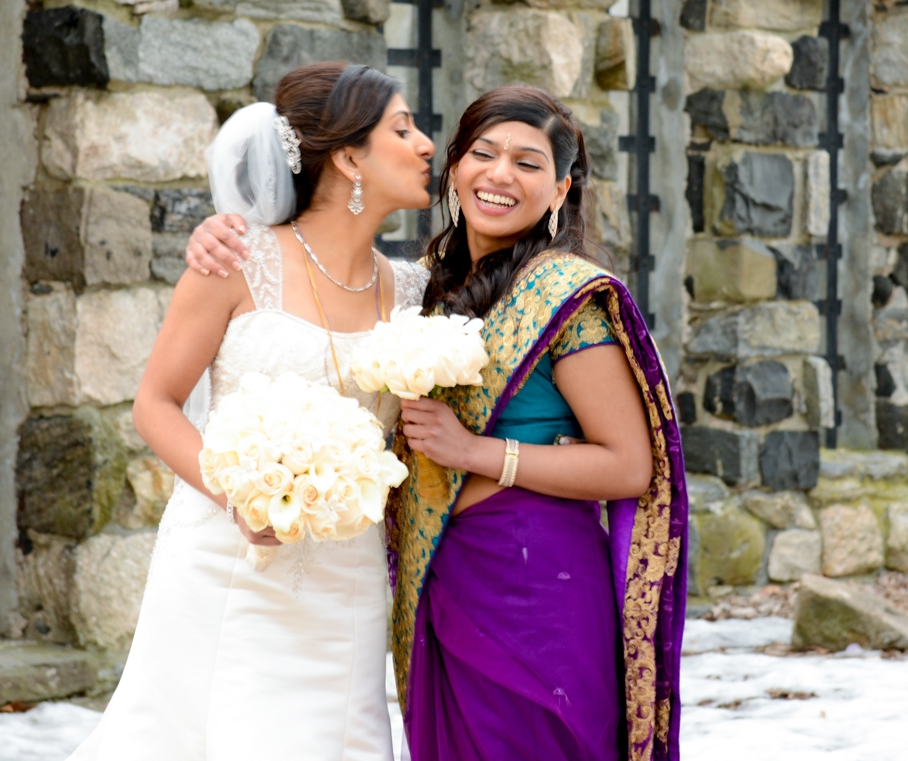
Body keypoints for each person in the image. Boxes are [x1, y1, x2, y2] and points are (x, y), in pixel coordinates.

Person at [187, 85, 687, 761]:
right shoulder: (425, 287)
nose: (501, 174)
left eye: (529, 163)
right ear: (455, 168)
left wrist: (478, 452)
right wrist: (222, 233)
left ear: (561, 189)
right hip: (441, 578)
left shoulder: (569, 299)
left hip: (537, 584)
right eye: (483, 153)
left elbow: (628, 465)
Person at [67, 62, 435, 761]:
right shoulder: (236, 259)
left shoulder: (417, 290)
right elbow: (155, 404)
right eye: (402, 129)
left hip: (347, 581)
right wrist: (238, 495)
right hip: (228, 560)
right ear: (348, 157)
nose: (425, 145)